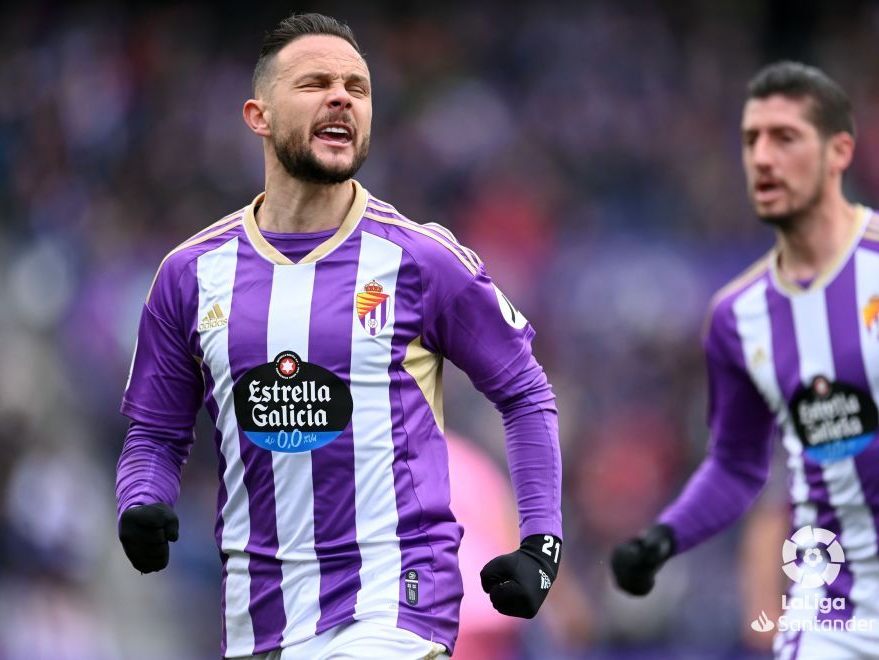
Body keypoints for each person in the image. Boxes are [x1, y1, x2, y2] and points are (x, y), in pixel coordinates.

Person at [115, 12, 562, 660]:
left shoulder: (420, 259)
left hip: (393, 611)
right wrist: (142, 502)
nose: (342, 98)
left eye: (358, 86)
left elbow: (524, 390)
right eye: (316, 82)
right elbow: (155, 432)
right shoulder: (190, 275)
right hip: (257, 621)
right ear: (257, 115)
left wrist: (541, 543)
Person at [611, 60, 879, 659]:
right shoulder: (736, 316)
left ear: (839, 152)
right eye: (751, 140)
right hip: (835, 617)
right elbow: (737, 467)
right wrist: (664, 539)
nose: (762, 158)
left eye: (784, 138)